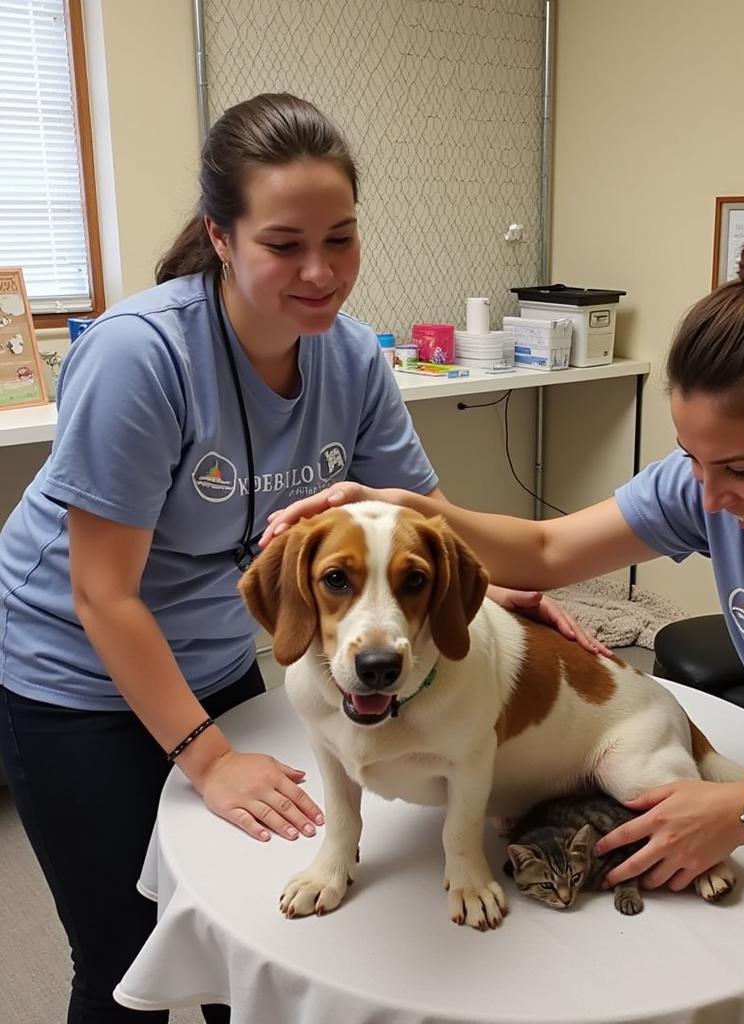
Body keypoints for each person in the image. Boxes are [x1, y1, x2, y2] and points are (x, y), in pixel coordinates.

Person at [263, 201, 744, 1024]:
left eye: (737, 468)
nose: (705, 496)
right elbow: (551, 553)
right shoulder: (716, 486)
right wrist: (404, 507)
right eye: (690, 459)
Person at [0, 93, 594, 1024]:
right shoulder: (140, 360)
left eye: (342, 239)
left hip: (220, 652)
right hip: (75, 673)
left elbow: (421, 520)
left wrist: (495, 596)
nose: (321, 273)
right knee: (131, 955)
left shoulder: (351, 357)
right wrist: (206, 756)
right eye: (284, 244)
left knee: (251, 937)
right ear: (221, 237)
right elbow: (101, 592)